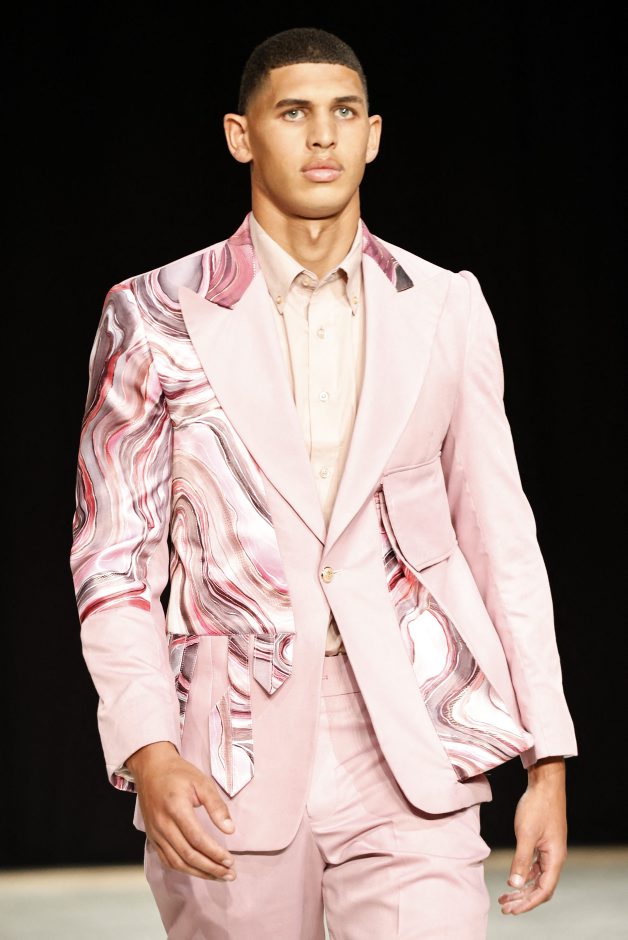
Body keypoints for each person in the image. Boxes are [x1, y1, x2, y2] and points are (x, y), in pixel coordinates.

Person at [69, 25, 577, 940]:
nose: (321, 136)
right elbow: (112, 557)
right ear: (241, 134)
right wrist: (146, 746)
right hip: (228, 753)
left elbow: (500, 535)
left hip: (413, 735)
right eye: (293, 112)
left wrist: (548, 758)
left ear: (373, 135)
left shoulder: (445, 307)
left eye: (344, 112)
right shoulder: (153, 313)